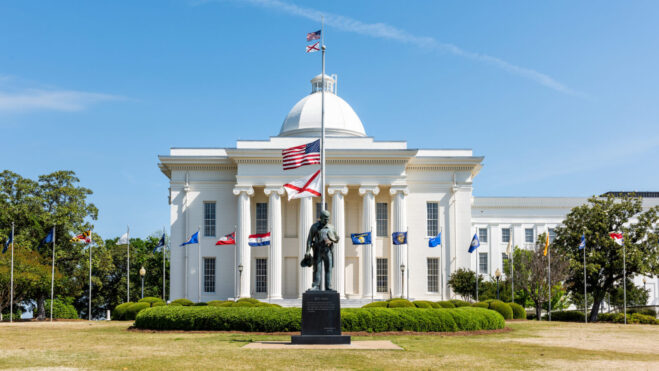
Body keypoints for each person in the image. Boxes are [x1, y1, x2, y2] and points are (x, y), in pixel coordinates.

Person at [305, 210, 339, 291]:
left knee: (328, 269)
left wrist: (332, 240)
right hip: (318, 249)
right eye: (325, 219)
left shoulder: (331, 227)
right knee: (317, 269)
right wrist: (308, 251)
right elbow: (309, 239)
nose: (326, 220)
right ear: (320, 218)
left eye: (328, 219)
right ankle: (316, 286)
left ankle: (328, 287)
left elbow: (336, 239)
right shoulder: (314, 226)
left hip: (328, 250)